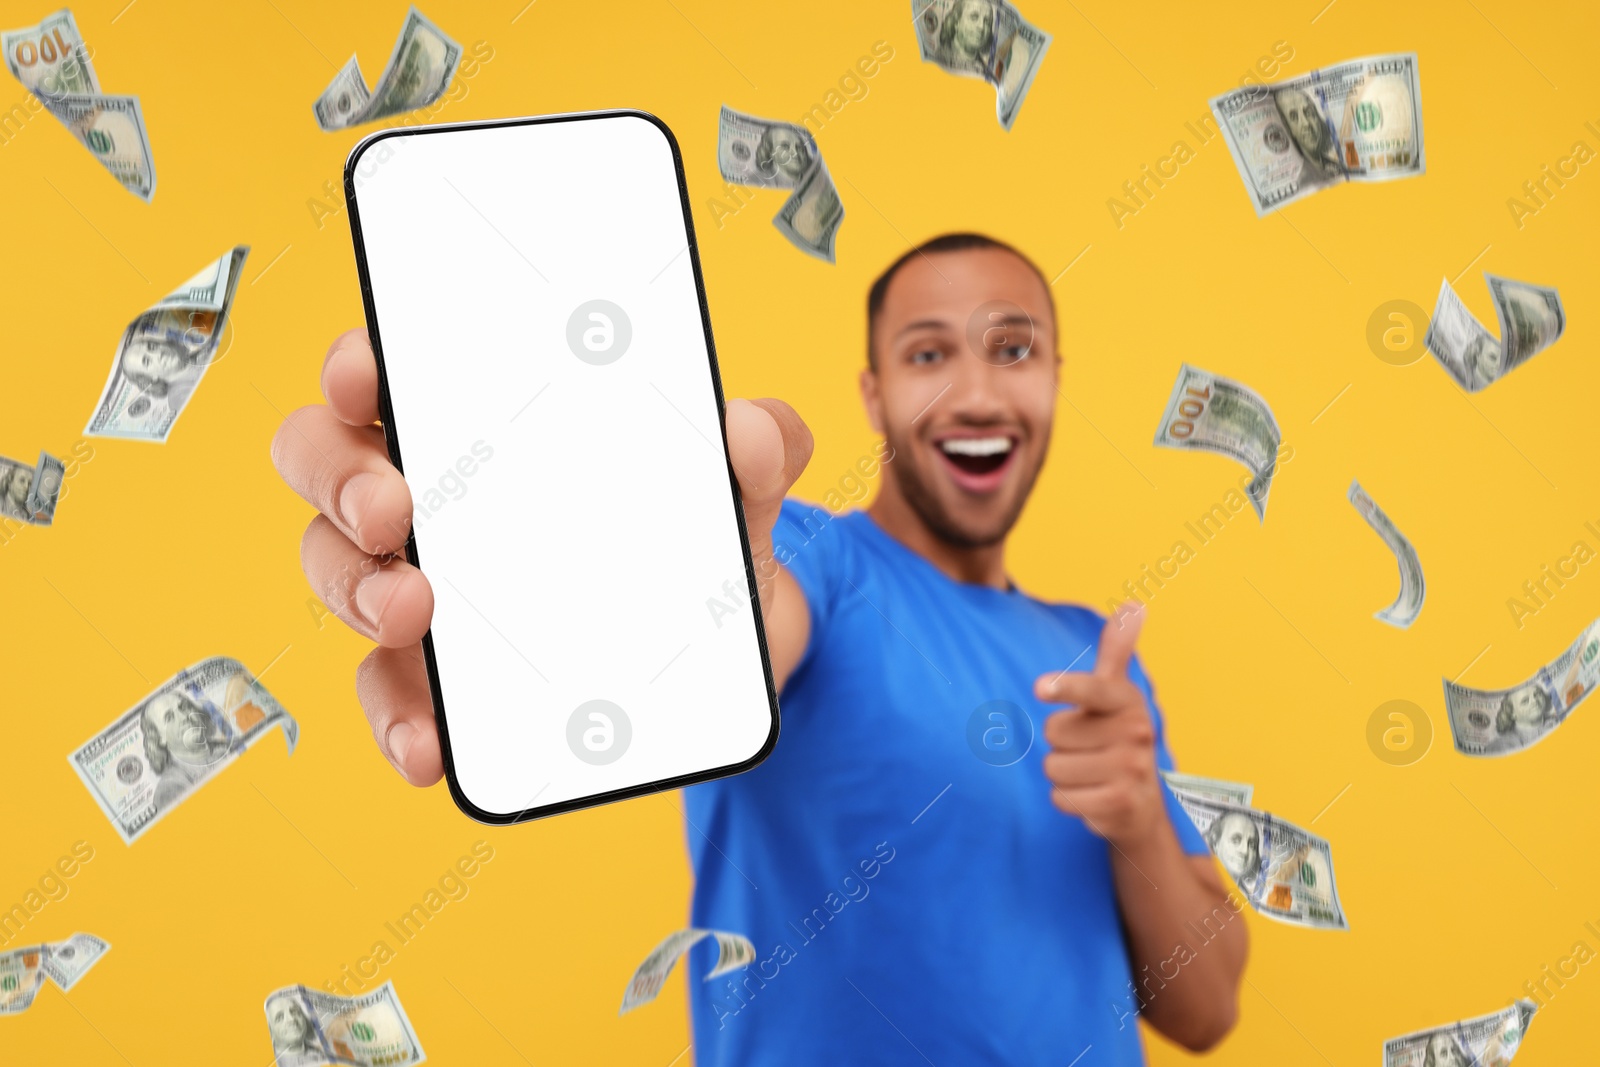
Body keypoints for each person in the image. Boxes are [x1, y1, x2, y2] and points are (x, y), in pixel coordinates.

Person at [271, 232, 1248, 1063]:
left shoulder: (1094, 655)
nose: (977, 391)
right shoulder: (817, 561)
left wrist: (1136, 819)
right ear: (872, 394)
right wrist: (541, 546)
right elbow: (728, 643)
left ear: (1052, 380)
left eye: (1012, 349)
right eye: (927, 354)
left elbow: (1204, 1012)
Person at [141, 689, 232, 810]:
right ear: (159, 738)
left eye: (183, 707)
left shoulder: (229, 746)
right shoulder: (171, 787)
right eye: (169, 718)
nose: (184, 717)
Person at [1273, 86, 1342, 183]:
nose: (1306, 123)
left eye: (1309, 113)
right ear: (1287, 128)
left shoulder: (1338, 167)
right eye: (1294, 117)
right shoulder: (1297, 180)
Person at [1204, 811, 1262, 895]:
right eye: (1235, 840)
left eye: (1252, 844)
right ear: (1215, 843)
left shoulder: (1249, 899)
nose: (1245, 851)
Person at [936, 0, 996, 75]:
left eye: (987, 22)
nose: (981, 26)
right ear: (956, 22)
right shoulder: (938, 57)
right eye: (974, 17)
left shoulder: (985, 69)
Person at [265, 990, 322, 1061]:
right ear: (269, 1030)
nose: (291, 1019)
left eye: (295, 1012)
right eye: (280, 1017)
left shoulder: (321, 1054)